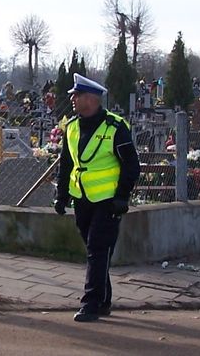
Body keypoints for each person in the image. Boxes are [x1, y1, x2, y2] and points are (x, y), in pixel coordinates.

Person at [54, 73, 140, 322]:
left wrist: (123, 196)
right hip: (82, 198)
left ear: (90, 99)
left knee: (97, 249)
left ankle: (90, 303)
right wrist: (61, 196)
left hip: (108, 201)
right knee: (97, 252)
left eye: (76, 95)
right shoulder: (71, 127)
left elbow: (131, 165)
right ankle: (103, 300)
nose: (72, 99)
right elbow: (66, 164)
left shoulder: (115, 127)